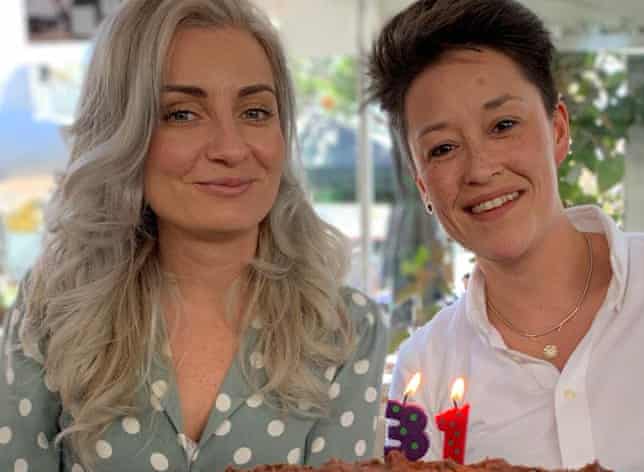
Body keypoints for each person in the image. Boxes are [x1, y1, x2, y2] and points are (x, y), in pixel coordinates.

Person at [367, 0, 644, 470]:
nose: (481, 169)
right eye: (443, 148)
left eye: (503, 125)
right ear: (423, 183)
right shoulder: (427, 368)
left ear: (559, 130)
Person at [1, 1, 387, 470]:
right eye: (182, 114)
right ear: (124, 133)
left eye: (255, 111)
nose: (230, 147)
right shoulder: (50, 315)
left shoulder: (346, 331)